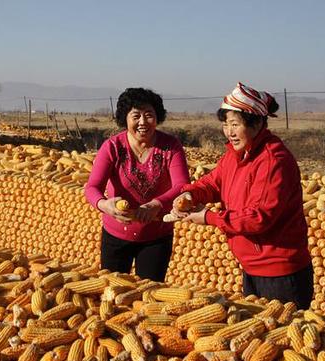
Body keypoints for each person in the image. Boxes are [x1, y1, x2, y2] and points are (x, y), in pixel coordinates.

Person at [172, 82, 312, 309]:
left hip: (280, 272)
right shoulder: (235, 155)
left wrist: (209, 217)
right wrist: (190, 195)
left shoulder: (273, 161)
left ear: (257, 124)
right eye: (226, 124)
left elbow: (258, 217)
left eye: (235, 124)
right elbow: (213, 183)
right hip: (251, 267)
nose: (229, 131)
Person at [85, 87, 190, 281]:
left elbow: (182, 186)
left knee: (150, 293)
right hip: (116, 236)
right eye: (136, 116)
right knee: (113, 290)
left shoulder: (171, 147)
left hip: (156, 237)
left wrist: (156, 205)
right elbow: (92, 187)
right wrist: (104, 205)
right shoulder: (113, 147)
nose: (142, 122)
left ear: (157, 117)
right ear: (125, 119)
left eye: (149, 115)